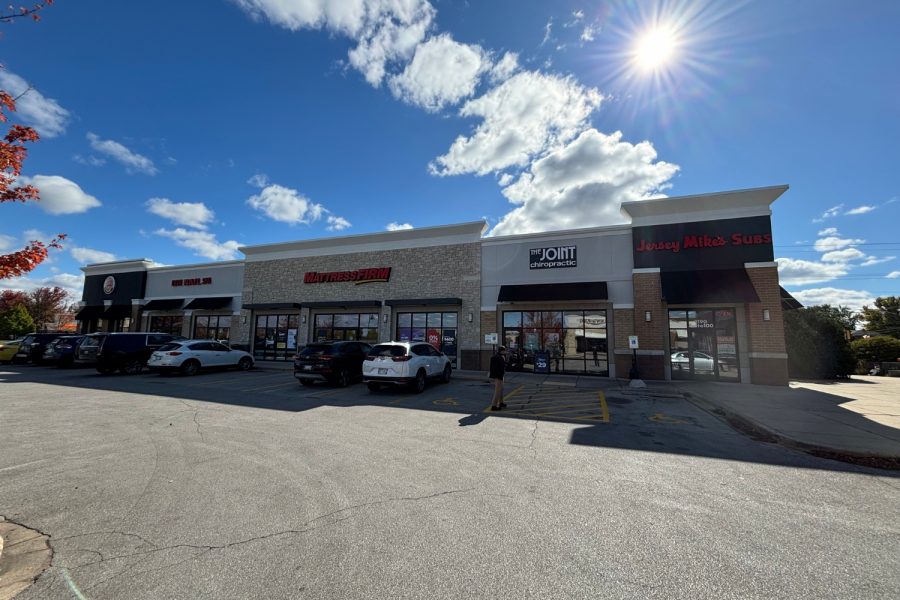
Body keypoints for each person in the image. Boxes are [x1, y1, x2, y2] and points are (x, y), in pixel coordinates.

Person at [489, 346, 507, 411]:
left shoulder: (499, 356)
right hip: (498, 376)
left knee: (501, 390)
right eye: (504, 350)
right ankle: (493, 406)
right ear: (501, 351)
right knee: (497, 391)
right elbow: (496, 368)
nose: (505, 351)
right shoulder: (498, 357)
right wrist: (499, 376)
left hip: (500, 375)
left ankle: (501, 402)